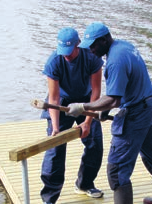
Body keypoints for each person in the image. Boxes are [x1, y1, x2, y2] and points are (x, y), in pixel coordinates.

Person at [66, 22, 152, 204]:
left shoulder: (115, 61)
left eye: (93, 46)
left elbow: (113, 99)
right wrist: (105, 110)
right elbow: (121, 89)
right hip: (149, 103)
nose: (90, 50)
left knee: (116, 170)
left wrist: (84, 107)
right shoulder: (124, 46)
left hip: (136, 113)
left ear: (103, 40)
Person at [39, 27, 104, 204]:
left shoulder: (91, 57)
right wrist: (56, 127)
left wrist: (88, 122)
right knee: (55, 151)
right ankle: (49, 198)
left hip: (86, 101)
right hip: (61, 103)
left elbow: (96, 92)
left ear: (78, 45)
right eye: (63, 52)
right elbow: (53, 98)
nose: (66, 55)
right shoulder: (54, 61)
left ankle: (84, 184)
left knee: (95, 145)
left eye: (69, 51)